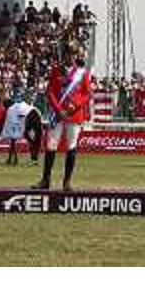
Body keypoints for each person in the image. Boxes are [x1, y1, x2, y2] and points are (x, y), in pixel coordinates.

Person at [32, 47, 91, 190]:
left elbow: (87, 94)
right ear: (63, 56)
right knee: (51, 145)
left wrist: (73, 106)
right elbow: (50, 91)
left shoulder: (82, 73)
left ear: (75, 56)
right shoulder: (56, 71)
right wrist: (58, 109)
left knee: (71, 146)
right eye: (67, 54)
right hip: (56, 115)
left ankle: (67, 182)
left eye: (72, 54)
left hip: (74, 114)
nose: (70, 57)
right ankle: (45, 180)